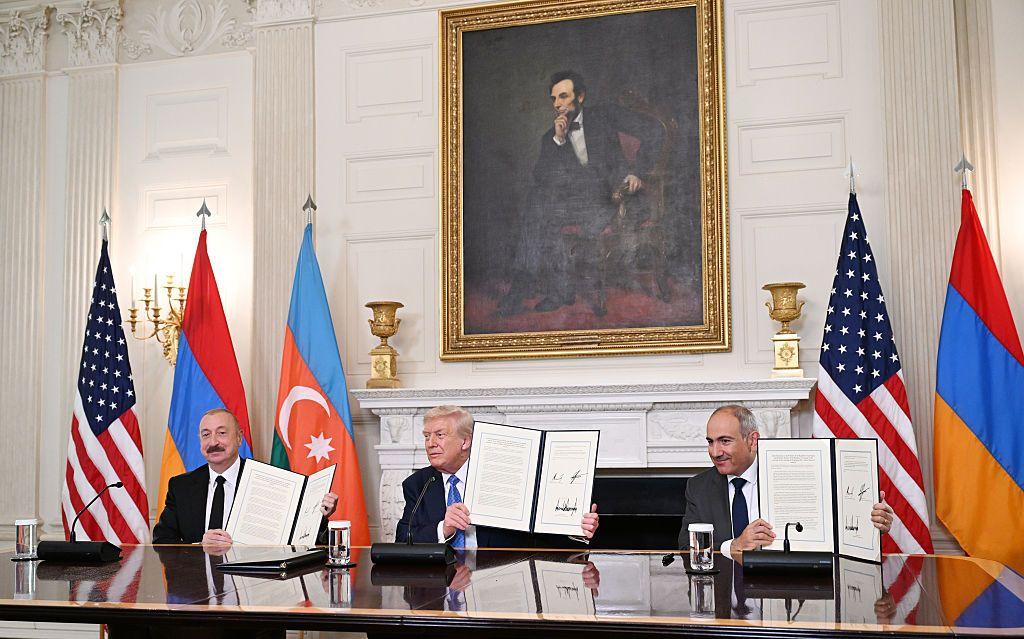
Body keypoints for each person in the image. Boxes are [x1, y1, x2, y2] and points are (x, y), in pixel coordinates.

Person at [499, 70, 665, 317]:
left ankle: (536, 288)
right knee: (538, 201)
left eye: (564, 96)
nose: (558, 104)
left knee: (541, 207)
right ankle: (541, 288)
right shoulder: (551, 137)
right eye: (554, 99)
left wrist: (637, 172)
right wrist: (558, 141)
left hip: (615, 198)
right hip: (580, 204)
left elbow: (655, 129)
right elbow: (541, 179)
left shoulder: (606, 115)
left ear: (581, 96)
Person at [677, 404, 894, 554]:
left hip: (786, 591)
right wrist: (733, 546)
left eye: (725, 441)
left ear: (752, 441)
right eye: (710, 442)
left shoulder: (793, 474)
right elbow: (686, 548)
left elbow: (832, 530)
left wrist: (871, 522)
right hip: (723, 595)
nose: (715, 452)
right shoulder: (698, 487)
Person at [396, 405, 599, 547]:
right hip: (441, 580)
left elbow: (536, 535)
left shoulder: (504, 474)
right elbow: (402, 538)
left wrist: (575, 528)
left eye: (439, 435)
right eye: (427, 436)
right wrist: (444, 528)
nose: (430, 443)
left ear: (465, 441)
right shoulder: (417, 484)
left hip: (500, 577)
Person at [153, 408, 338, 545]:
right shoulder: (181, 486)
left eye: (222, 433)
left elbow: (301, 539)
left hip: (256, 582)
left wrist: (319, 516)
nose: (213, 442)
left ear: (239, 438)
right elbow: (162, 542)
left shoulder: (272, 482)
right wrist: (199, 547)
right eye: (206, 435)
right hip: (199, 583)